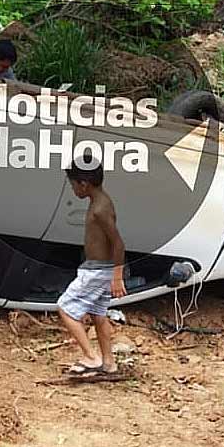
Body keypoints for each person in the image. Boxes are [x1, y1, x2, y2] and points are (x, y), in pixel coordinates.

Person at [57, 159, 127, 376]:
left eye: (73, 185)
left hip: (97, 271)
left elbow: (118, 243)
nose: (73, 189)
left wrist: (117, 276)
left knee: (65, 308)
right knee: (99, 314)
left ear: (84, 184)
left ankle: (91, 356)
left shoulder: (100, 209)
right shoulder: (100, 201)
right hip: (98, 269)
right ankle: (108, 362)